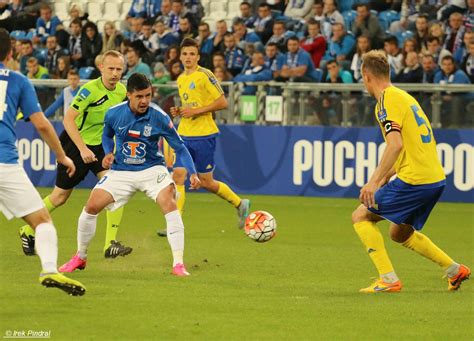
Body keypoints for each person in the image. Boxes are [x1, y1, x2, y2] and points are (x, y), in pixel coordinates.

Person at [352, 49, 470, 293]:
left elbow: (395, 144)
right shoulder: (404, 98)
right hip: (435, 179)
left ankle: (388, 279)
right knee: (399, 232)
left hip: (415, 179)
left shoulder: (386, 101)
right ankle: (454, 270)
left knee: (361, 216)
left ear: (366, 75)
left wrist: (373, 182)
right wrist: (386, 175)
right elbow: (411, 145)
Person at [58, 73, 200, 276]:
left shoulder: (159, 117)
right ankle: (80, 257)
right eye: (139, 96)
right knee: (91, 206)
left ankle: (178, 264)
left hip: (152, 169)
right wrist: (108, 153)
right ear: (129, 95)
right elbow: (107, 135)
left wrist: (193, 173)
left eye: (148, 96)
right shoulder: (114, 113)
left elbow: (180, 147)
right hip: (122, 170)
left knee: (169, 203)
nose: (144, 101)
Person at [18, 50, 133, 259]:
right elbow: (68, 120)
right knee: (60, 197)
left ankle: (110, 244)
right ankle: (26, 230)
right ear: (101, 68)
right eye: (111, 68)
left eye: (119, 69)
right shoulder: (89, 91)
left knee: (116, 191)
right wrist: (82, 149)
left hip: (100, 148)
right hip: (75, 144)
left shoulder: (121, 91)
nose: (115, 73)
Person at [0, 28, 85, 296]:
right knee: (42, 221)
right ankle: (49, 268)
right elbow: (42, 124)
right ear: (11, 52)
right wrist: (61, 156)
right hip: (4, 163)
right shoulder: (17, 80)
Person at [156, 38, 250, 237]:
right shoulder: (181, 78)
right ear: (180, 57)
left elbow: (223, 102)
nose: (188, 57)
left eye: (192, 54)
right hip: (184, 134)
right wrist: (180, 111)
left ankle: (240, 203)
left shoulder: (205, 75)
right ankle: (176, 224)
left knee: (207, 182)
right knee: (178, 176)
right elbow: (190, 107)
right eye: (185, 54)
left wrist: (197, 111)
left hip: (204, 135)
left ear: (197, 57)